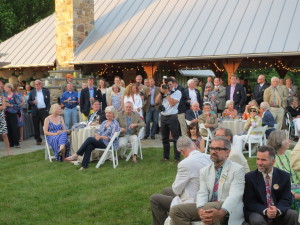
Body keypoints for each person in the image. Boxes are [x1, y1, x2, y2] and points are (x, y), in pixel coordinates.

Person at [169, 137, 245, 225]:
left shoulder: (237, 169)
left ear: (227, 152)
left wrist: (221, 212)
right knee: (175, 211)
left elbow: (235, 195)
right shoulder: (205, 170)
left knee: (209, 208)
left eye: (218, 149)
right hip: (208, 207)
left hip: (227, 209)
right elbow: (202, 192)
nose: (213, 151)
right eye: (212, 148)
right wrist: (199, 209)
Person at [150, 136, 211, 225]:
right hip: (206, 196)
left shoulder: (185, 164)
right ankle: (169, 220)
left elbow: (176, 189)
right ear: (193, 145)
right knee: (166, 190)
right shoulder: (207, 157)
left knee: (154, 199)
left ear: (181, 151)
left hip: (194, 201)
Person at [243, 145, 298, 225]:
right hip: (259, 212)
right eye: (258, 159)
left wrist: (277, 210)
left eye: (263, 160)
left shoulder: (284, 176)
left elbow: (286, 199)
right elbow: (249, 202)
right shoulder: (250, 177)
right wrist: (265, 210)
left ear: (273, 161)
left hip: (278, 212)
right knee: (257, 220)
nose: (259, 163)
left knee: (292, 214)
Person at [155, 77, 182, 162]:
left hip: (173, 116)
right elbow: (156, 102)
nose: (168, 86)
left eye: (170, 84)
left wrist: (167, 93)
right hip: (163, 116)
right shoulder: (163, 92)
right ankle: (166, 157)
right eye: (167, 85)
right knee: (164, 138)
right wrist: (161, 92)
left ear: (174, 84)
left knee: (175, 138)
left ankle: (177, 158)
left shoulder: (177, 92)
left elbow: (172, 103)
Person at [27, 80, 50, 145]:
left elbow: (48, 101)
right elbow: (29, 101)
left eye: (38, 84)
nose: (37, 85)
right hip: (35, 110)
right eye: (35, 84)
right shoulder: (32, 92)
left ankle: (48, 139)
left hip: (43, 110)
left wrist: (47, 110)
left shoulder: (45, 91)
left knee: (45, 126)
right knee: (36, 126)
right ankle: (38, 139)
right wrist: (32, 102)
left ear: (40, 85)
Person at [4, 83, 22, 148]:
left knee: (14, 128)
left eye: (6, 87)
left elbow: (18, 105)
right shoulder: (4, 95)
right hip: (6, 114)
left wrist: (11, 105)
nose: (4, 89)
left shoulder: (15, 96)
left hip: (13, 114)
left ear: (9, 88)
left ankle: (16, 143)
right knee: (8, 128)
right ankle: (11, 143)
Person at [0, 89, 11, 155]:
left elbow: (3, 107)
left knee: (4, 134)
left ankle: (9, 151)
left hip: (1, 118)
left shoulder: (2, 98)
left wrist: (2, 107)